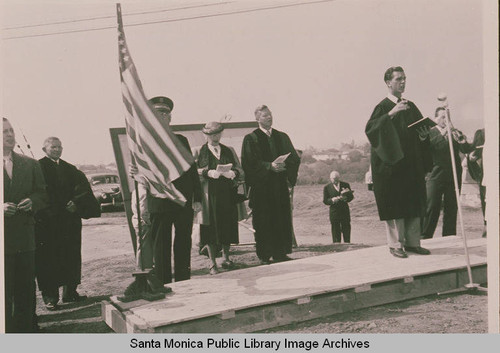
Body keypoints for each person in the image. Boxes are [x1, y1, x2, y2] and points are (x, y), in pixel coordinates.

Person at [365, 66, 432, 258]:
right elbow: (371, 130)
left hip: (410, 165)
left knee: (412, 201)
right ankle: (395, 244)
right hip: (391, 166)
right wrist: (392, 113)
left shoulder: (411, 106)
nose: (402, 82)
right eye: (398, 79)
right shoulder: (384, 107)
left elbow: (418, 134)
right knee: (395, 204)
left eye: (404, 78)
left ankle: (412, 242)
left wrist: (423, 136)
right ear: (388, 82)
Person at [142, 96, 202, 284]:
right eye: (158, 113)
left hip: (182, 199)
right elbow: (142, 170)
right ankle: (163, 281)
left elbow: (192, 170)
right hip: (160, 200)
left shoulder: (181, 140)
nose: (163, 117)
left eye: (166, 113)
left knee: (183, 241)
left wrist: (198, 197)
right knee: (161, 244)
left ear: (170, 117)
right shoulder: (145, 141)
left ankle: (184, 280)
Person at [35, 137, 100, 310]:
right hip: (48, 222)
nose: (57, 150)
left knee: (70, 256)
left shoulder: (70, 169)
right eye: (53, 147)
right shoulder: (37, 167)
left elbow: (83, 190)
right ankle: (50, 298)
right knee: (49, 259)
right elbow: (37, 192)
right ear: (44, 149)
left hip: (69, 221)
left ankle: (70, 293)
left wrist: (76, 203)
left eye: (59, 147)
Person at [241, 105, 300, 264]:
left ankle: (280, 253)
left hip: (279, 185)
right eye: (265, 115)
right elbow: (248, 163)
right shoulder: (251, 138)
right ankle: (265, 255)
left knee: (280, 218)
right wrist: (269, 166)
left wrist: (285, 167)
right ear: (257, 118)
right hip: (262, 188)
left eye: (270, 114)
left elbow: (294, 158)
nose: (269, 117)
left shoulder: (282, 137)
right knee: (263, 220)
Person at [3, 117, 47, 332]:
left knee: (25, 288)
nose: (10, 135)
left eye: (11, 130)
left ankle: (27, 330)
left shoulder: (29, 163)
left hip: (24, 237)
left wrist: (34, 202)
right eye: (4, 131)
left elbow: (42, 193)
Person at [195, 121, 243, 274]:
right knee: (209, 227)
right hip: (209, 195)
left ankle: (226, 258)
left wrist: (233, 172)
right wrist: (206, 172)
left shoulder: (229, 150)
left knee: (227, 224)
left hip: (227, 193)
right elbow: (192, 170)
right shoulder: (198, 151)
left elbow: (240, 169)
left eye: (217, 134)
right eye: (211, 134)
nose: (215, 137)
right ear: (205, 135)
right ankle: (212, 262)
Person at [421, 107, 472, 239]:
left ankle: (449, 236)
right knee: (432, 206)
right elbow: (428, 148)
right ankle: (425, 236)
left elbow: (466, 149)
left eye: (447, 117)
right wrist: (443, 135)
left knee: (452, 207)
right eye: (442, 117)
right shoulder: (430, 133)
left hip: (453, 175)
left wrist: (462, 140)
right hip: (435, 174)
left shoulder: (455, 132)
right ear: (436, 118)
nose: (445, 120)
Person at [323, 171, 354, 243]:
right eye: (333, 179)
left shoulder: (346, 185)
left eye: (336, 178)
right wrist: (332, 200)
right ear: (330, 178)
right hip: (334, 211)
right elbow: (325, 200)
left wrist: (346, 198)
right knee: (335, 228)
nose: (335, 180)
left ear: (339, 178)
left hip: (344, 210)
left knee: (346, 227)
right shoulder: (327, 187)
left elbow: (351, 197)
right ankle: (336, 244)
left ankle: (347, 243)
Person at [467, 128, 486, 237]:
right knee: (486, 201)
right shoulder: (481, 133)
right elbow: (474, 153)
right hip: (485, 177)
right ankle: (487, 225)